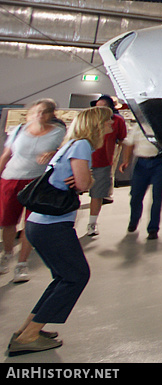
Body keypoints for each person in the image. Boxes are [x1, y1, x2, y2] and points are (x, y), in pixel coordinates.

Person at [7, 105, 111, 357]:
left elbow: (76, 180)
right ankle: (29, 336)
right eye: (107, 123)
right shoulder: (83, 146)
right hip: (53, 225)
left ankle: (27, 329)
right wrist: (88, 180)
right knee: (76, 276)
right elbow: (84, 183)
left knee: (63, 277)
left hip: (39, 224)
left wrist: (80, 179)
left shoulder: (69, 143)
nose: (110, 127)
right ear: (97, 125)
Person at [1, 99, 66, 283]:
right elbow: (6, 155)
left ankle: (22, 263)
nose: (40, 115)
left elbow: (64, 151)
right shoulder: (18, 131)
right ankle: (7, 254)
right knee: (8, 221)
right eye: (37, 111)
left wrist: (54, 153)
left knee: (30, 223)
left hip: (36, 181)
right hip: (11, 178)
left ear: (51, 114)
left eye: (44, 112)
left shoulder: (58, 132)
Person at [85, 95, 126, 237]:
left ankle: (92, 224)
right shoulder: (89, 119)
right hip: (84, 160)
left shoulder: (116, 121)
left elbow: (122, 139)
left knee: (97, 194)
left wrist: (121, 159)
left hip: (103, 162)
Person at [119, 124, 162, 240]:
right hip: (141, 163)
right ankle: (134, 220)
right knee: (136, 195)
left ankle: (153, 229)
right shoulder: (138, 127)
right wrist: (126, 160)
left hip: (159, 162)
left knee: (157, 196)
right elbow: (129, 144)